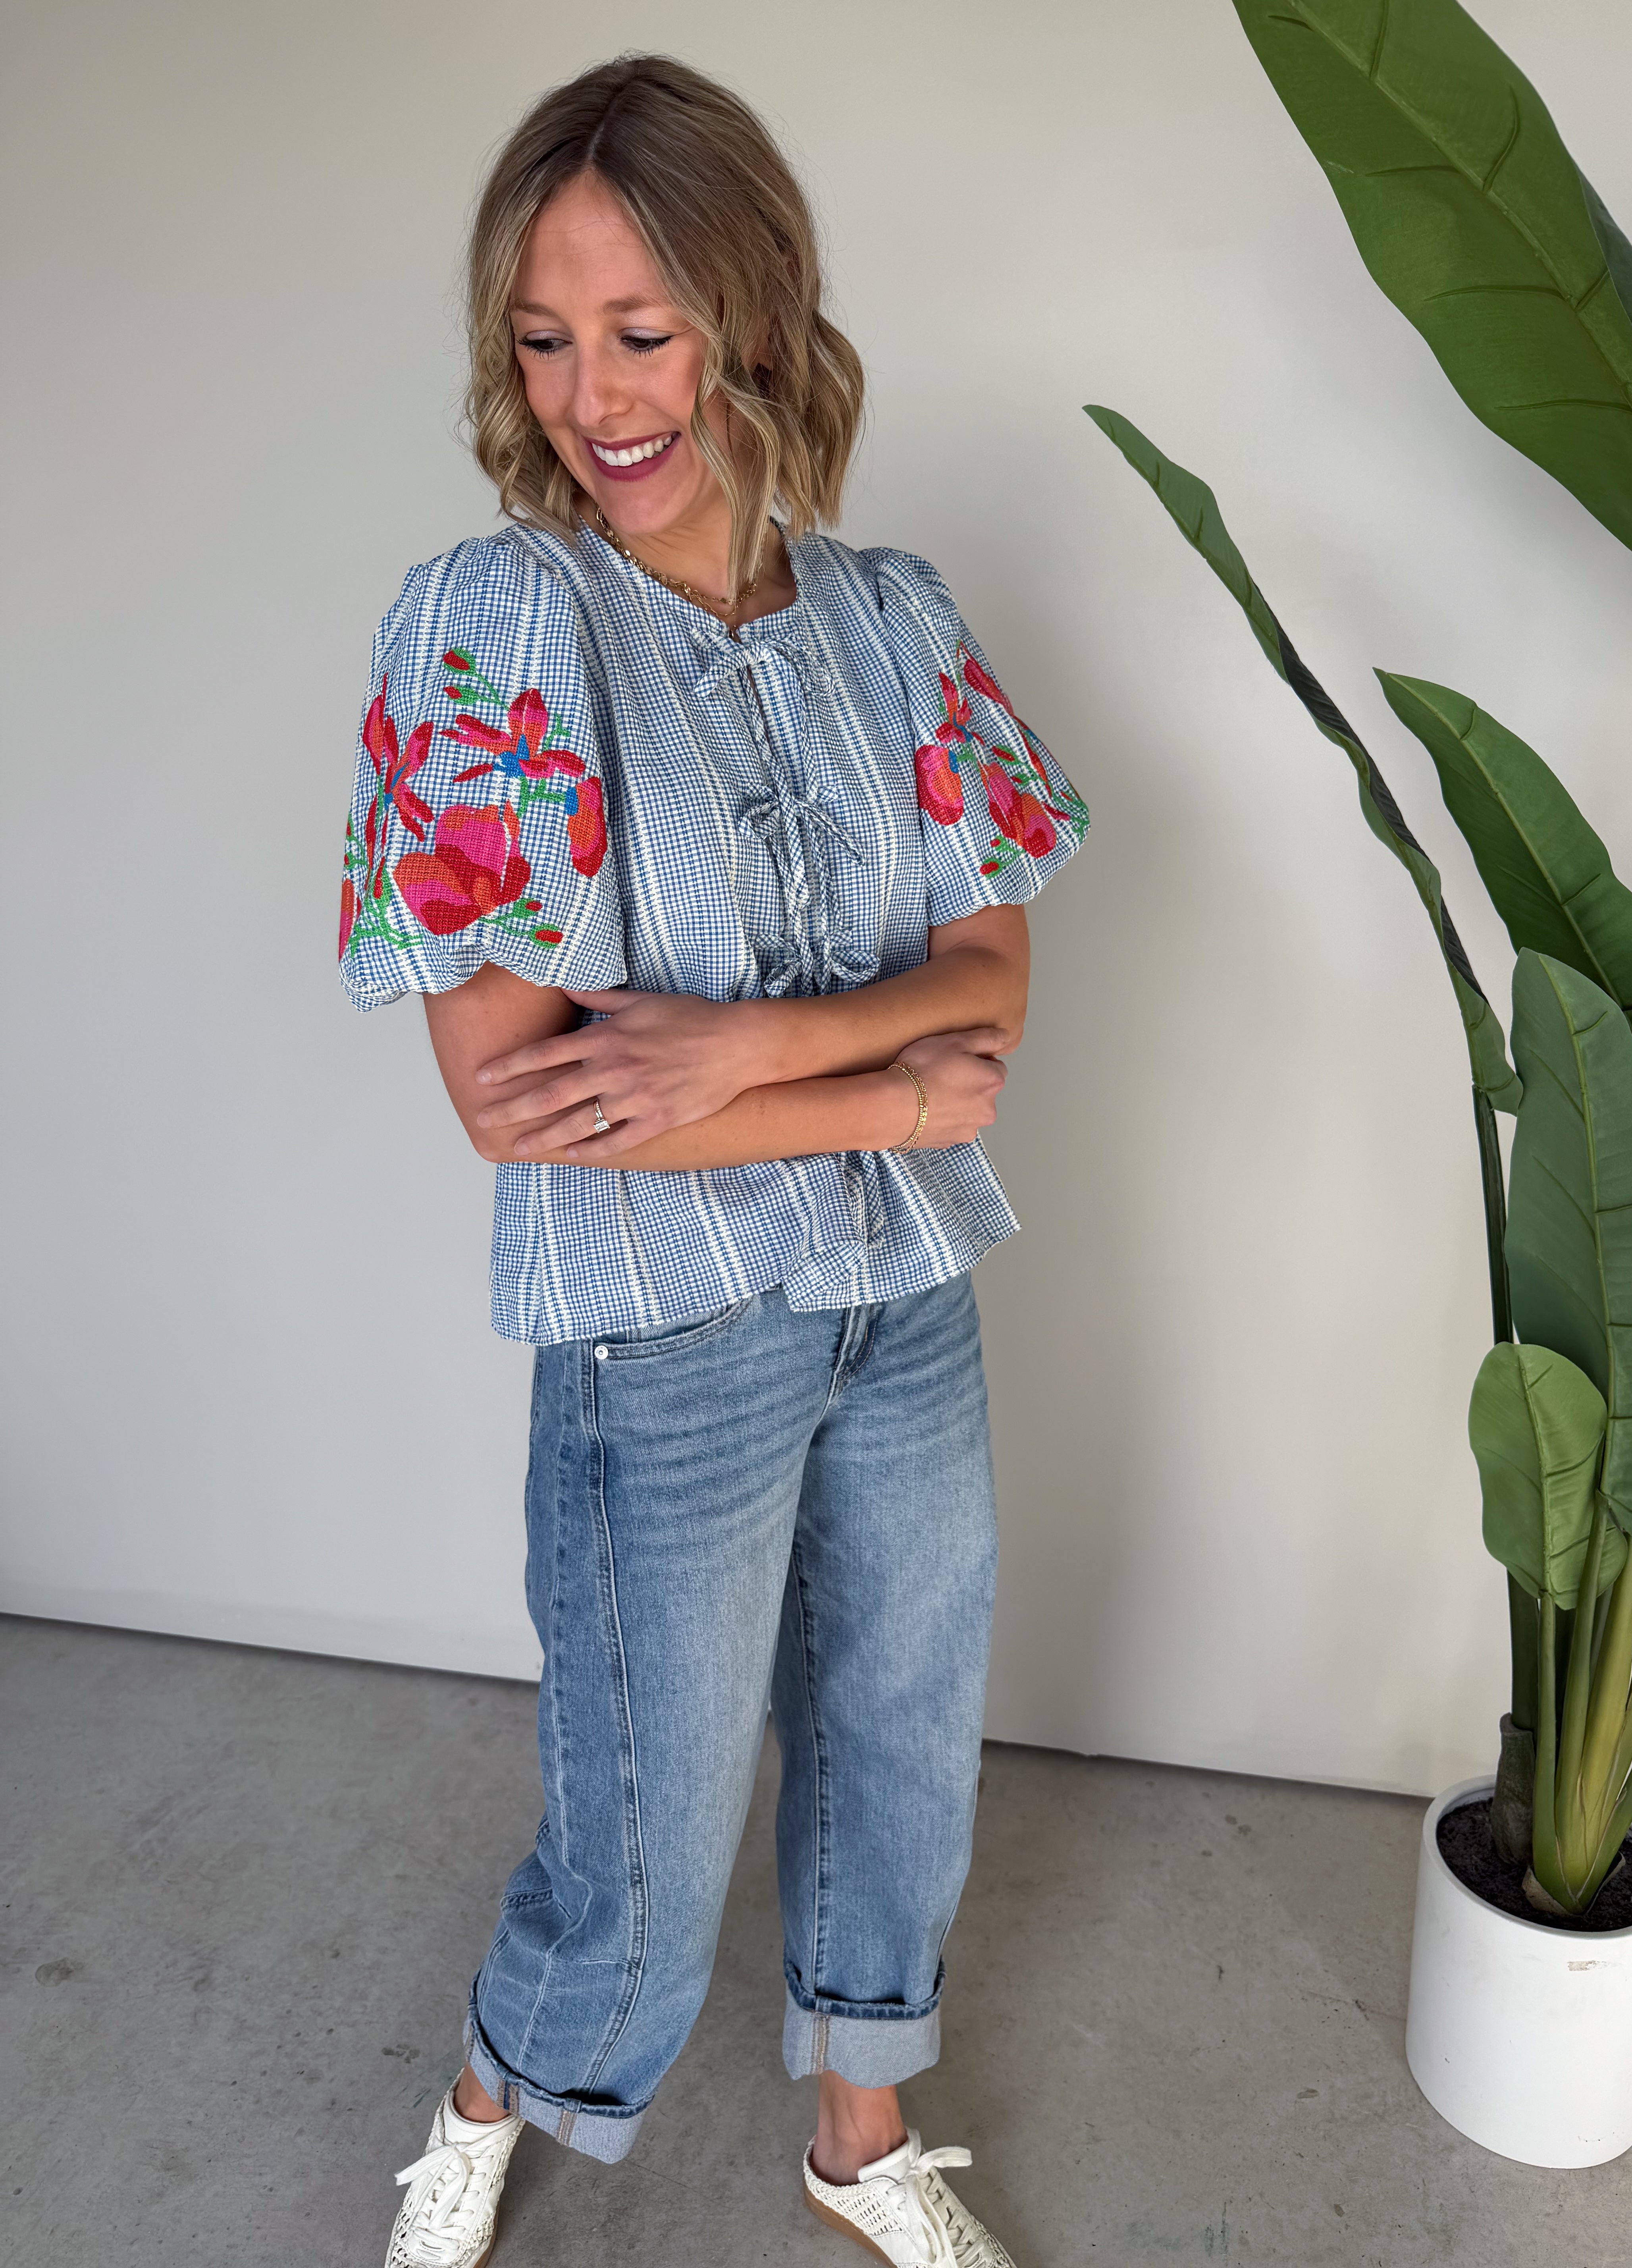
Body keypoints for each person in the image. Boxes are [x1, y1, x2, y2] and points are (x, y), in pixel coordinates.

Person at [339, 53, 1089, 2268]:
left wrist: (753, 1050)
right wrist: (890, 1089)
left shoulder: (893, 619)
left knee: (901, 1726)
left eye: (642, 330)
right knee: (649, 1832)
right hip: (664, 1341)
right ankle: (492, 2090)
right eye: (543, 339)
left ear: (754, 314)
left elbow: (995, 979)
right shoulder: (501, 625)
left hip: (905, 1301)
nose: (594, 396)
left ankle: (862, 2134)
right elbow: (520, 1092)